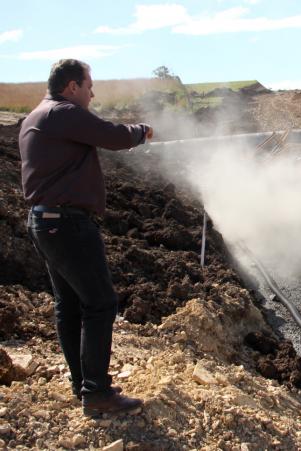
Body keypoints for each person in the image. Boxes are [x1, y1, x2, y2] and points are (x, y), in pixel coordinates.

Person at [19, 59, 153, 416]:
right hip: (67, 224)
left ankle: (83, 384)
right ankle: (97, 394)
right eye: (88, 85)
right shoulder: (62, 113)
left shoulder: (37, 115)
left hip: (46, 222)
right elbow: (112, 136)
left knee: (70, 305)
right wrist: (142, 131)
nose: (93, 93)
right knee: (101, 303)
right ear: (71, 86)